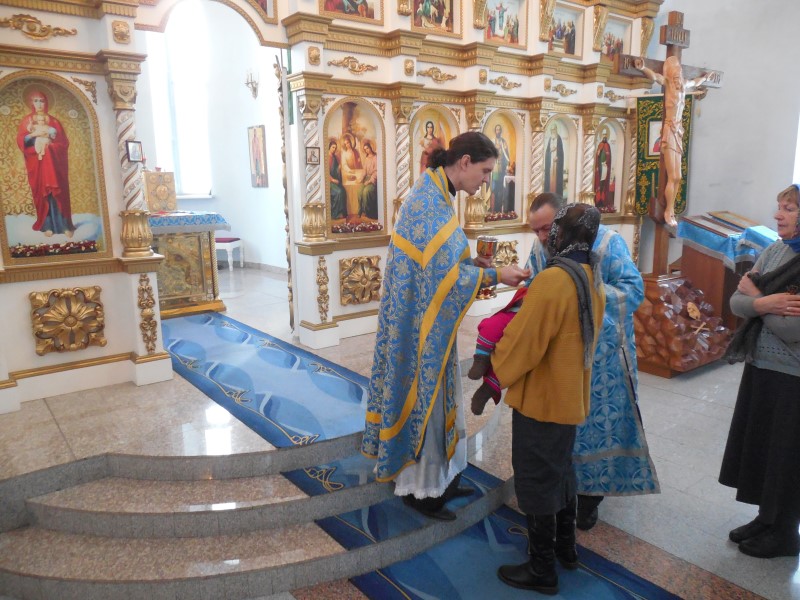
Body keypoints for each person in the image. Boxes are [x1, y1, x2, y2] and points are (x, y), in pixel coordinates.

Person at [361, 132, 531, 521]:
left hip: (427, 324)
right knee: (428, 404)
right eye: (485, 171)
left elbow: (439, 270)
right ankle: (423, 493)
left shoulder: (436, 195)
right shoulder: (429, 205)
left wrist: (472, 266)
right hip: (419, 332)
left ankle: (445, 478)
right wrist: (496, 275)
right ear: (464, 162)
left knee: (441, 401)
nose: (486, 180)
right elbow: (444, 279)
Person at [469, 194, 659, 529]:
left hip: (601, 356)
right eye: (536, 230)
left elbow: (633, 290)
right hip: (556, 356)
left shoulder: (609, 243)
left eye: (546, 228)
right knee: (560, 435)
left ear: (562, 220)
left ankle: (589, 499)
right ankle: (561, 498)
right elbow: (538, 292)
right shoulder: (543, 247)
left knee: (595, 428)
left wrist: (580, 297)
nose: (542, 237)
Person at [492, 203, 606, 595]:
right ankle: (565, 549)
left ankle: (542, 569)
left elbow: (525, 344)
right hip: (569, 396)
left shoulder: (553, 280)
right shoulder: (590, 274)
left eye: (552, 230)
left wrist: (494, 362)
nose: (547, 237)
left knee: (537, 478)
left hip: (542, 400)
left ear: (562, 234)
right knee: (561, 472)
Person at [719, 183, 800, 559]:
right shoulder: (775, 250)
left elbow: (791, 329)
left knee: (786, 455)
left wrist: (756, 300)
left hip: (793, 376)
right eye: (779, 206)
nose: (777, 214)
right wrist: (765, 302)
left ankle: (785, 533)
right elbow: (736, 302)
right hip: (762, 364)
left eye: (789, 208)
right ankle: (766, 518)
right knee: (763, 448)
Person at [634, 56, 714, 227]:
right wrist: (642, 68)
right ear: (670, 75)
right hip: (670, 131)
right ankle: (668, 210)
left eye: (679, 75)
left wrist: (705, 78)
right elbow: (655, 77)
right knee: (673, 175)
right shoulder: (668, 84)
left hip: (678, 132)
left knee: (678, 176)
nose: (678, 78)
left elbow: (695, 82)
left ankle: (671, 209)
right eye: (675, 75)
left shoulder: (684, 85)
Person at [16, 86, 75, 238]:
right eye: (36, 101)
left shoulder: (54, 122)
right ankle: (47, 225)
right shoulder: (27, 121)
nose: (39, 104)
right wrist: (33, 136)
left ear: (46, 102)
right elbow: (22, 141)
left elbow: (63, 143)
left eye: (42, 101)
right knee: (43, 193)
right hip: (38, 164)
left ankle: (64, 225)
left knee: (58, 193)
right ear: (31, 103)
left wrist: (50, 147)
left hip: (54, 164)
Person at [490, 124, 511, 213]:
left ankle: (499, 209)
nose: (498, 131)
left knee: (500, 189)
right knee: (494, 189)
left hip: (501, 169)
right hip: (494, 169)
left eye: (499, 130)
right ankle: (492, 209)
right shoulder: (492, 141)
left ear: (501, 131)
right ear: (495, 131)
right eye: (497, 130)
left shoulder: (503, 142)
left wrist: (507, 164)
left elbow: (506, 155)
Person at [358, 139, 378, 219]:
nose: (367, 150)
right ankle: (361, 210)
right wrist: (361, 178)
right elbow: (364, 171)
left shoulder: (375, 157)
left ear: (371, 147)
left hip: (373, 180)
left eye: (367, 148)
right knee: (359, 191)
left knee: (366, 191)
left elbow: (376, 172)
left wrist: (369, 181)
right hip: (366, 179)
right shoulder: (366, 158)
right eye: (365, 149)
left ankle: (368, 212)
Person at [327, 139, 347, 220]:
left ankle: (342, 212)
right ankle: (335, 214)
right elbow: (326, 172)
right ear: (329, 147)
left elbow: (335, 170)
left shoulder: (334, 157)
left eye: (335, 148)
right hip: (329, 182)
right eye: (333, 147)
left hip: (335, 180)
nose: (334, 149)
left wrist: (338, 168)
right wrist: (332, 180)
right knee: (338, 192)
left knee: (343, 190)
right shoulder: (327, 158)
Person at [544, 125, 564, 198]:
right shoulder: (550, 139)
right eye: (551, 130)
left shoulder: (559, 139)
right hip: (550, 163)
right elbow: (547, 152)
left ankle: (557, 194)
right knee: (549, 178)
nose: (553, 131)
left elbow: (561, 152)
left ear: (556, 130)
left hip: (556, 163)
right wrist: (550, 151)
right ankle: (548, 193)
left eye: (554, 130)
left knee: (556, 178)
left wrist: (558, 157)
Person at [594, 131, 612, 210]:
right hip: (600, 167)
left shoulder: (608, 146)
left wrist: (606, 162)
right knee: (599, 182)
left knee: (603, 183)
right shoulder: (600, 145)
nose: (604, 137)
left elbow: (609, 157)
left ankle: (603, 200)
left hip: (605, 167)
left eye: (606, 136)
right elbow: (597, 156)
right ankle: (598, 200)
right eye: (603, 135)